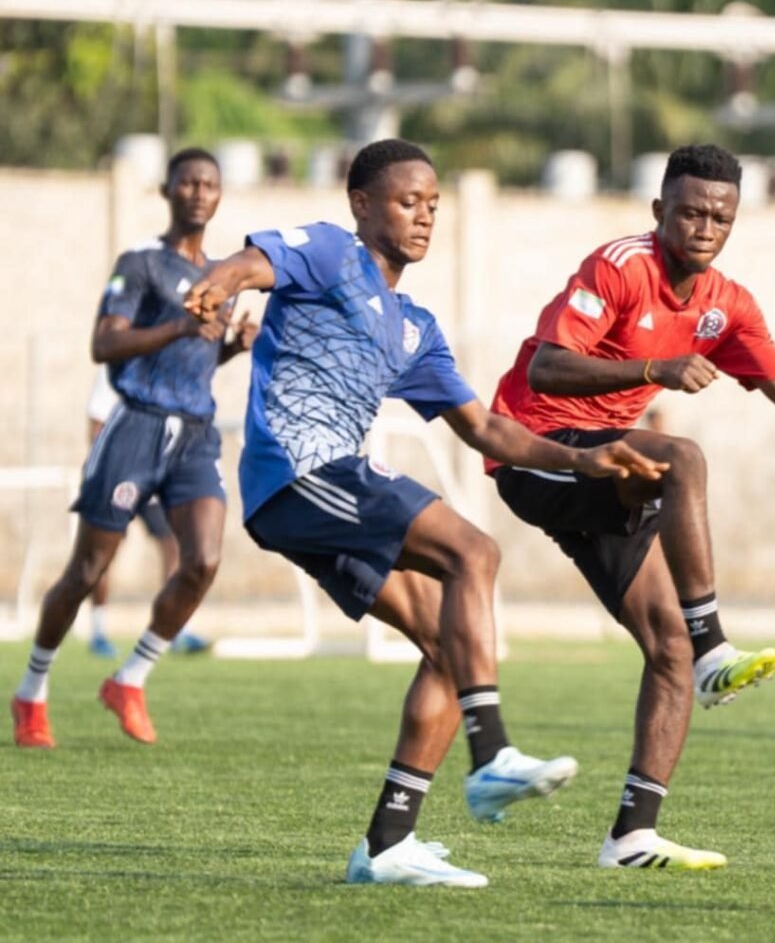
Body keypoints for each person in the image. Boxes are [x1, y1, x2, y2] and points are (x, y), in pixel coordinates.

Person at [182, 138, 667, 889]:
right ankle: (492, 753)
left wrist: (584, 459)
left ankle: (386, 845)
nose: (424, 216)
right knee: (475, 552)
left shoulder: (414, 327)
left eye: (434, 204)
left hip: (322, 495)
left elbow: (488, 430)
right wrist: (217, 284)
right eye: (409, 201)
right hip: (300, 473)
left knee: (447, 642)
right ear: (362, 204)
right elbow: (249, 265)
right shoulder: (330, 252)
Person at [487, 143, 775, 871]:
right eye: (690, 212)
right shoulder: (619, 267)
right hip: (538, 451)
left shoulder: (728, 306)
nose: (705, 227)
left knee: (668, 651)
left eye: (721, 217)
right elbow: (547, 368)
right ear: (660, 210)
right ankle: (715, 643)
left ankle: (632, 835)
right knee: (681, 458)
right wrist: (655, 368)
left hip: (611, 468)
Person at [10, 147, 257, 749]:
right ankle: (32, 689)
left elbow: (196, 358)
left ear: (220, 196)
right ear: (167, 191)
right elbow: (104, 344)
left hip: (194, 434)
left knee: (203, 560)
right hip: (136, 426)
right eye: (187, 182)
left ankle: (130, 679)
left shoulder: (221, 276)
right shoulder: (141, 264)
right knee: (87, 569)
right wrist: (179, 324)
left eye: (209, 184)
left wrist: (231, 346)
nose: (198, 192)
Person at [83, 365, 210, 658]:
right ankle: (99, 632)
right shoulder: (114, 369)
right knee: (103, 554)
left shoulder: (168, 369)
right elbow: (96, 427)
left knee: (174, 545)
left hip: (153, 482)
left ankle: (174, 628)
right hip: (117, 479)